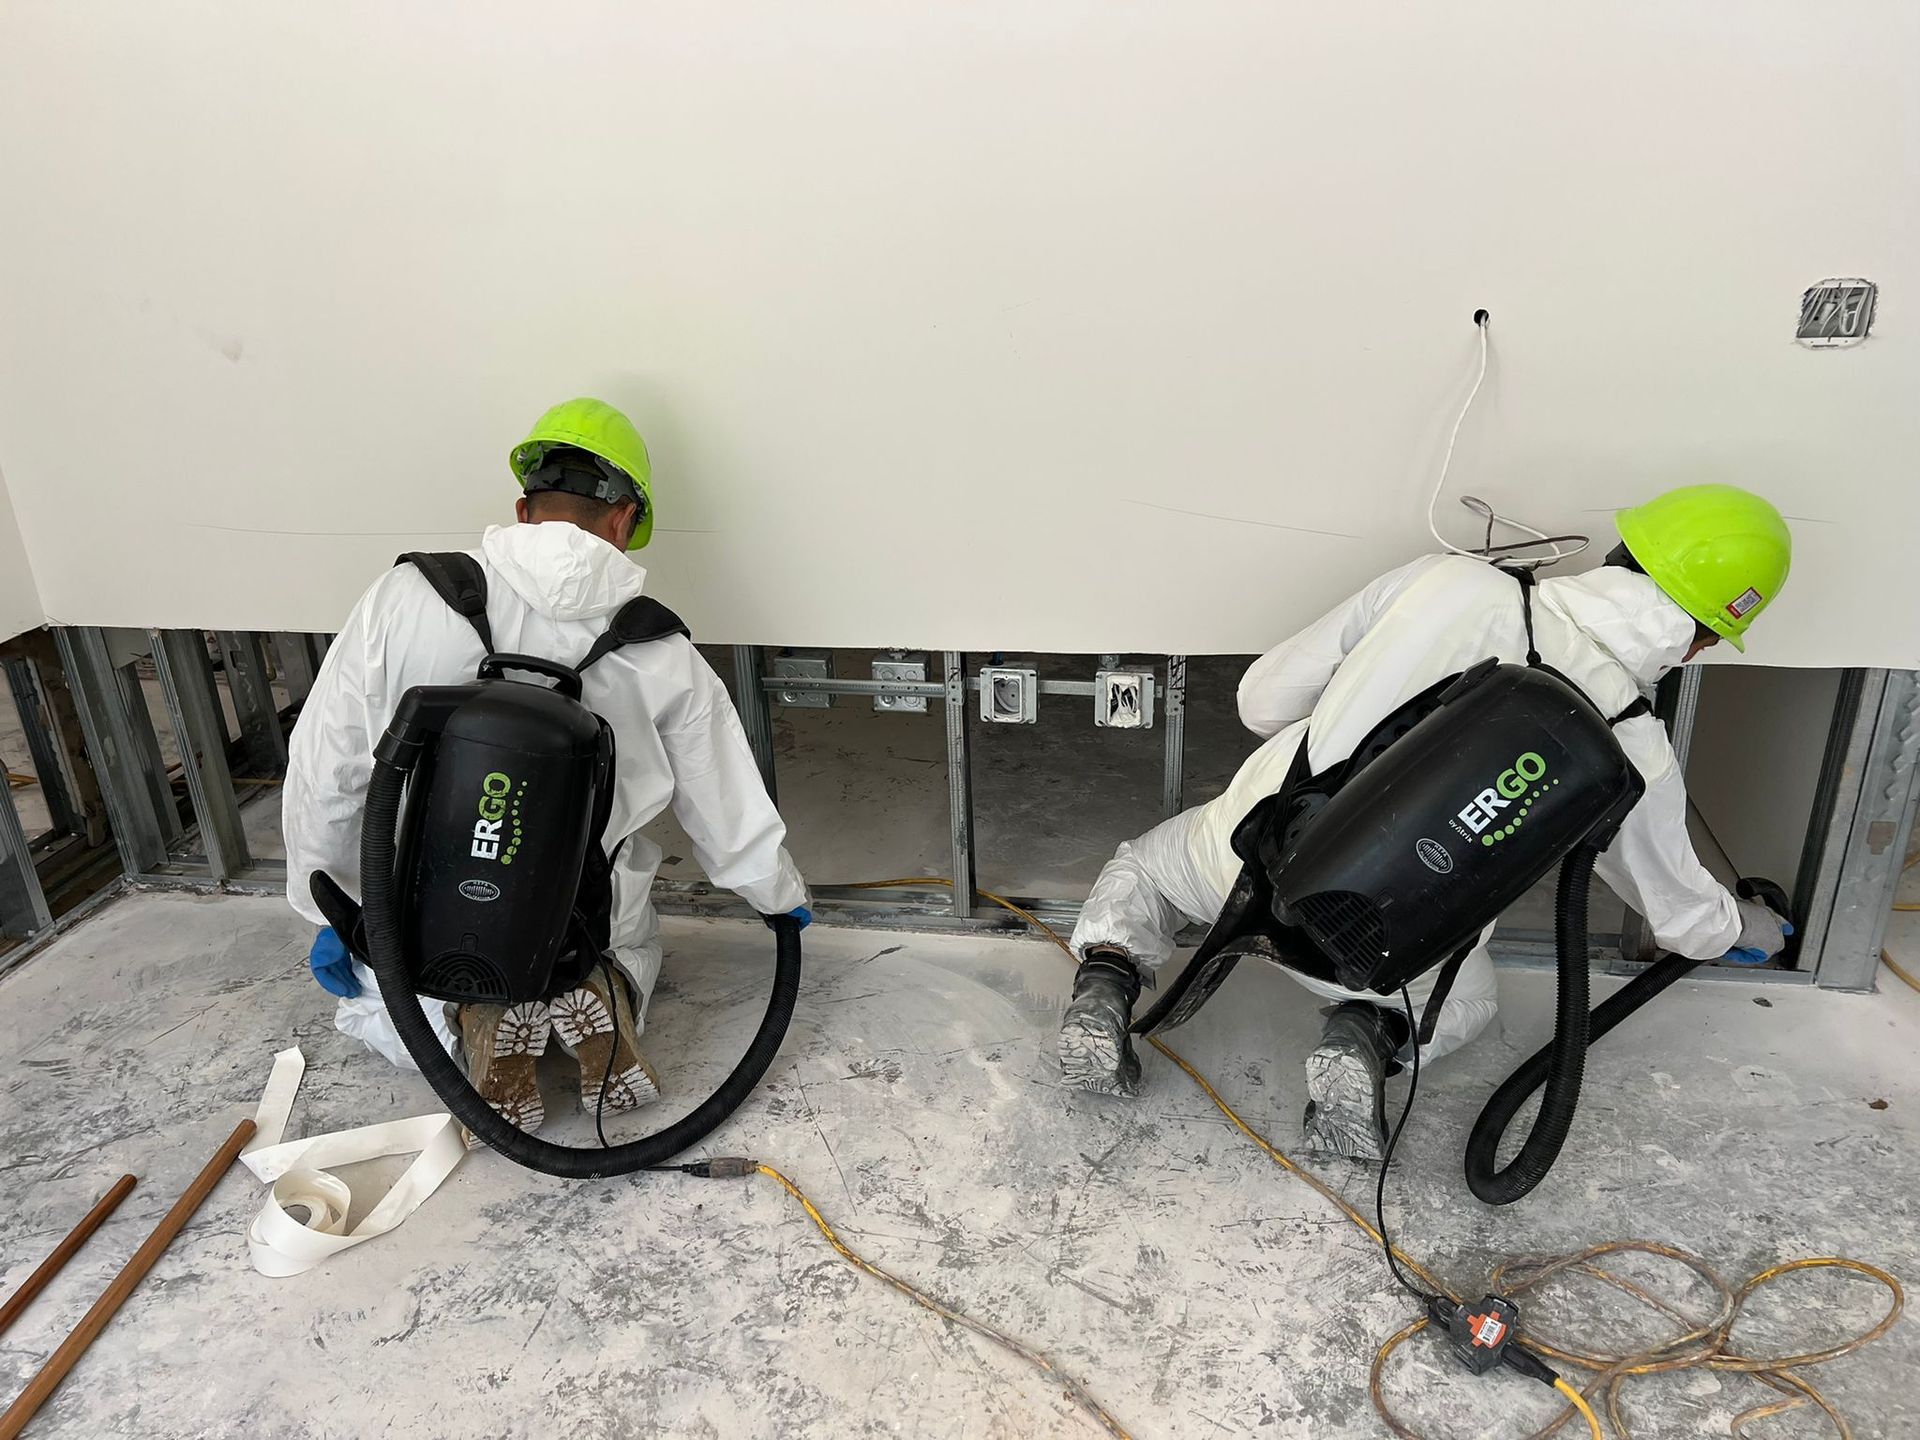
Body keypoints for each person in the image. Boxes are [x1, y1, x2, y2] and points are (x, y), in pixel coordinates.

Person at [1059, 484, 1795, 1159]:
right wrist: (1749, 925)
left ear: (1619, 553)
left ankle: (1107, 976)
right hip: (1386, 955)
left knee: (1148, 871)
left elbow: (1262, 702)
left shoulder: (1451, 583)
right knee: (1469, 1001)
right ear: (1700, 642)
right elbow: (1681, 918)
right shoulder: (1634, 748)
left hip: (1244, 863)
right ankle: (1366, 1034)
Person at [284, 398, 809, 1134]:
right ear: (625, 520)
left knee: (381, 1005)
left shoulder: (410, 596)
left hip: (422, 910)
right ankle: (603, 990)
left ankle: (463, 1018)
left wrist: (327, 903)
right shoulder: (656, 647)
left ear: (524, 509)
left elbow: (328, 764)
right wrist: (778, 895)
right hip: (581, 915)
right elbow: (721, 796)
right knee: (637, 938)